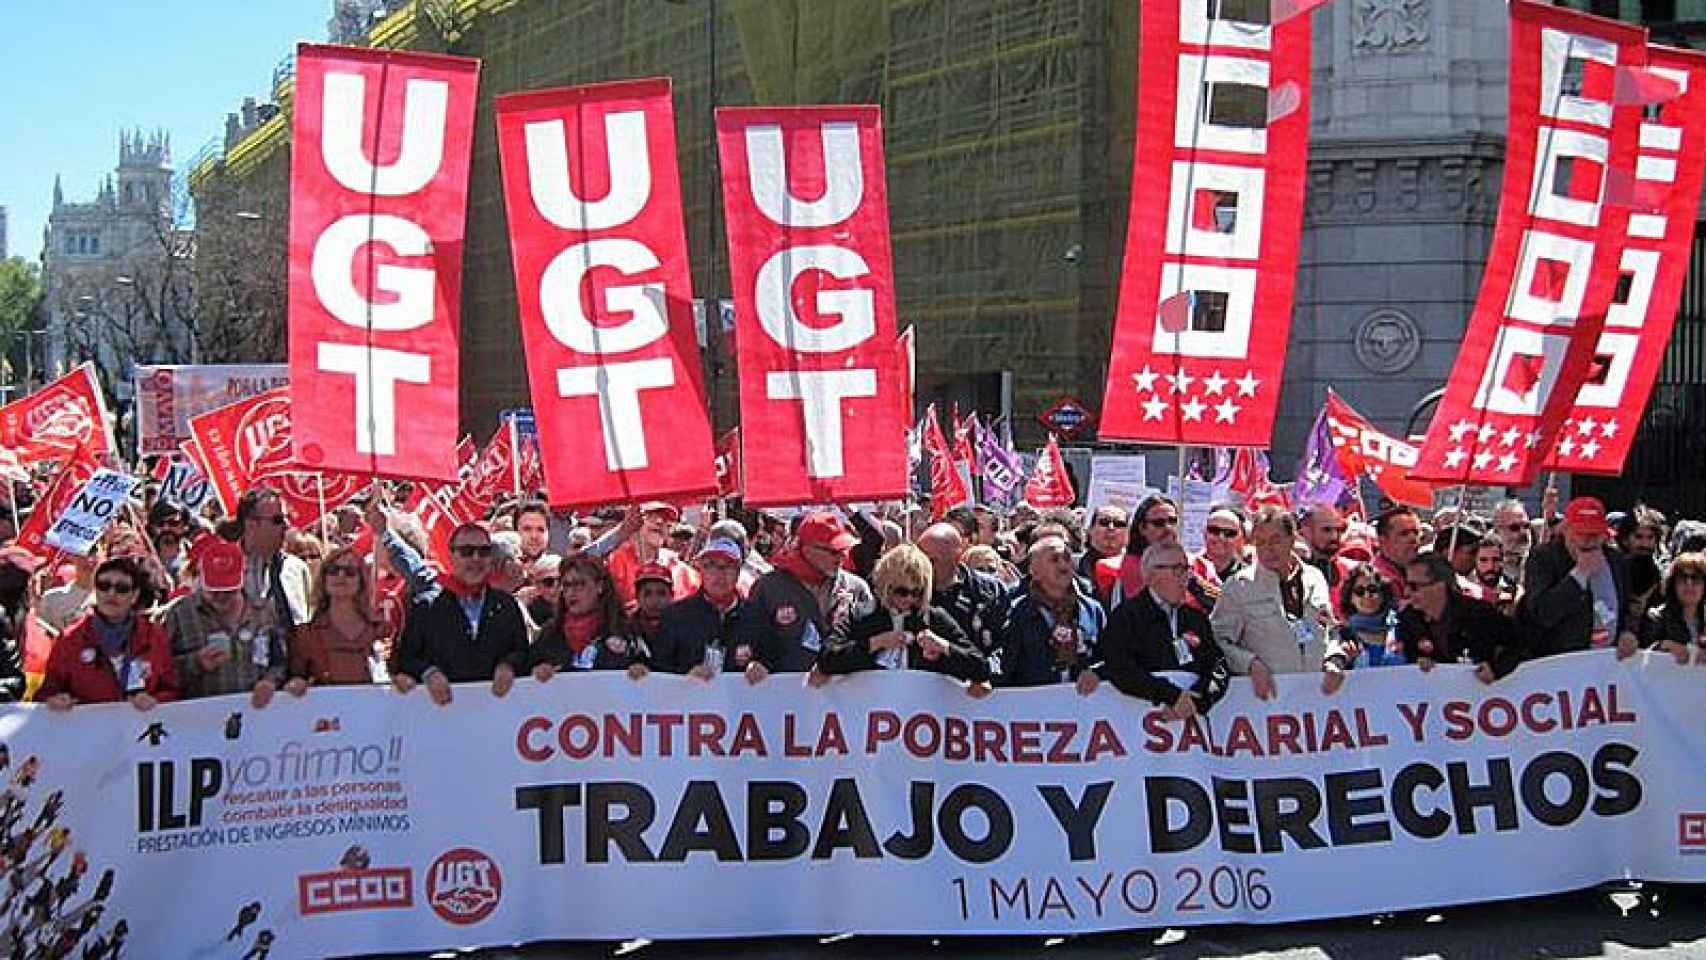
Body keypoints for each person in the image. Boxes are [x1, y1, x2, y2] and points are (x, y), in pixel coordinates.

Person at [1210, 506, 1347, 698]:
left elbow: (1331, 629)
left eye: (1275, 540)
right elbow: (1219, 639)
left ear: (1292, 538)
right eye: (1261, 542)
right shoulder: (1238, 587)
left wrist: (1334, 658)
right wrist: (1250, 664)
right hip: (1268, 699)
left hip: (1318, 695)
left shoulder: (1315, 577)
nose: (1268, 550)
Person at [392, 522, 529, 705]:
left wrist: (508, 665)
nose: (476, 558)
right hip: (442, 715)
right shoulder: (425, 606)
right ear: (451, 556)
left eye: (484, 551)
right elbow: (405, 659)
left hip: (497, 712)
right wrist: (428, 673)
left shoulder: (507, 605)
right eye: (466, 551)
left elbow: (523, 652)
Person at [818, 544, 990, 688]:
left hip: (919, 715)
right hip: (869, 711)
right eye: (902, 591)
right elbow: (827, 659)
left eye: (917, 592)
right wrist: (876, 643)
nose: (909, 599)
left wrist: (944, 647)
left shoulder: (933, 618)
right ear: (886, 586)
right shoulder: (861, 615)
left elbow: (980, 667)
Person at [738, 511, 876, 682]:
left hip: (846, 697)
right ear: (807, 549)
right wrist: (754, 662)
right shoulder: (769, 587)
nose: (841, 557)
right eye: (833, 551)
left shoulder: (856, 588)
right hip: (786, 699)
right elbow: (748, 638)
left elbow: (871, 639)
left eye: (843, 550)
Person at [1096, 543, 1230, 717]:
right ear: (1150, 575)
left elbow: (1217, 665)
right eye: (1177, 570)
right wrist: (1171, 696)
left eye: (1186, 569)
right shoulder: (1127, 616)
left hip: (1194, 723)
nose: (1185, 578)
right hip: (1141, 723)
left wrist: (1199, 698)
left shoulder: (1195, 618)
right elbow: (1121, 668)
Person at [160, 538, 290, 706]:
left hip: (255, 716)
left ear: (242, 578)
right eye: (213, 591)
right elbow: (160, 674)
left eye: (228, 591)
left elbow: (280, 662)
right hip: (202, 718)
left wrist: (270, 682)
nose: (220, 597)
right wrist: (196, 662)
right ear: (200, 578)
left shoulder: (264, 612)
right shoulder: (179, 614)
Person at [37, 558, 178, 710]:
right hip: (91, 729)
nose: (111, 594)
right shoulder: (71, 639)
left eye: (122, 588)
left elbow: (172, 689)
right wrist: (55, 700)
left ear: (135, 595)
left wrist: (155, 700)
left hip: (138, 728)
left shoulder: (154, 636)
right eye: (104, 586)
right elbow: (46, 693)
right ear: (95, 590)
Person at [1520, 496, 1637, 658]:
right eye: (1581, 533)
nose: (1587, 541)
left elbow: (1628, 606)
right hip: (1561, 663)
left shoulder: (1616, 560)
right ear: (1566, 530)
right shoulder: (1543, 558)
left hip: (1607, 662)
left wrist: (1628, 631)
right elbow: (1541, 614)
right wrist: (1579, 576)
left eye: (1594, 534)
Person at [995, 536, 1106, 689]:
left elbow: (1110, 657)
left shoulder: (1092, 610)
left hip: (1085, 705)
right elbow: (1004, 668)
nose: (1063, 565)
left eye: (1067, 558)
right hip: (1036, 707)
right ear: (1035, 571)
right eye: (1054, 560)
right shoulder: (1016, 613)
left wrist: (1096, 672)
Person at [1398, 553, 1525, 681]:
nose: (1406, 592)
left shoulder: (1480, 614)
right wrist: (1417, 663)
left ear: (1440, 585)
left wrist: (1497, 669)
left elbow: (1520, 646)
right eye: (1406, 585)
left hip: (1483, 694)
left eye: (1414, 586)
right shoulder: (1408, 620)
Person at [527, 556, 648, 678]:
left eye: (580, 584)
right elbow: (526, 670)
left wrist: (639, 670)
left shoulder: (624, 630)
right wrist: (537, 671)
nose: (571, 592)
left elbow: (648, 669)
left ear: (599, 586)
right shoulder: (551, 633)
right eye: (567, 585)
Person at [286, 545, 388, 689]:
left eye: (350, 572)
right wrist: (296, 684)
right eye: (333, 571)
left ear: (362, 580)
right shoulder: (306, 634)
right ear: (323, 578)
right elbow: (296, 677)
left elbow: (396, 674)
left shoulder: (380, 630)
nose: (341, 576)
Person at [652, 538, 747, 677]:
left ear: (738, 573)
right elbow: (658, 673)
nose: (719, 574)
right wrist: (685, 677)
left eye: (728, 566)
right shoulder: (675, 617)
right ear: (700, 569)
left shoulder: (755, 617)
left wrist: (760, 667)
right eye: (711, 565)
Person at [915, 523, 1008, 660]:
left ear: (956, 558)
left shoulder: (990, 590)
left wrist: (989, 674)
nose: (924, 567)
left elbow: (1003, 643)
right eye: (920, 560)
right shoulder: (908, 591)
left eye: (932, 560)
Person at [231, 488, 312, 632]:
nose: (286, 525)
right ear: (251, 525)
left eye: (287, 518)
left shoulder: (297, 568)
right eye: (278, 520)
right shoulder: (222, 567)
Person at [605, 502, 699, 605]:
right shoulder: (615, 562)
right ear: (633, 521)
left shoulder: (682, 571)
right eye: (650, 516)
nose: (659, 521)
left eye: (666, 519)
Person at [1330, 563, 1404, 669]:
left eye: (1373, 589)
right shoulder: (1340, 635)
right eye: (1359, 591)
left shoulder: (1401, 628)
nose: (1367, 596)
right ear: (1351, 598)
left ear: (1383, 594)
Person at [1637, 552, 1704, 664]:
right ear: (1673, 584)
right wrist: (1662, 646)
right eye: (1682, 578)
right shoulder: (1656, 618)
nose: (1689, 584)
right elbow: (1641, 658)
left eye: (1696, 578)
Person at [34, 550, 97, 636]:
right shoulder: (51, 598)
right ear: (72, 557)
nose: (90, 559)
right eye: (86, 553)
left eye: (95, 553)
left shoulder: (109, 602)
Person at [1371, 505, 1422, 604]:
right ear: (1382, 541)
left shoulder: (1423, 571)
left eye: (1416, 532)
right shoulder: (1374, 579)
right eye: (1404, 533)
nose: (1413, 538)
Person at [628, 562, 673, 652]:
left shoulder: (683, 626)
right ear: (637, 596)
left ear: (671, 595)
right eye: (647, 594)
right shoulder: (625, 627)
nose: (654, 600)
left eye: (661, 593)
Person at [1077, 506, 1128, 581]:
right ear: (1090, 529)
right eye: (1104, 522)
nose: (1111, 528)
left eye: (1119, 524)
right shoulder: (1071, 566)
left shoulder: (1137, 569)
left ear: (1128, 533)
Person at [1492, 498, 1535, 586]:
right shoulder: (1487, 561)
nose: (1523, 532)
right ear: (1498, 530)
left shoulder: (1538, 560)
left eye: (1526, 526)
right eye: (1515, 527)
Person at [1201, 505, 1249, 583]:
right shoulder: (1188, 572)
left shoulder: (1249, 577)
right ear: (1204, 533)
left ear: (1240, 538)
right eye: (1214, 530)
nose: (1221, 537)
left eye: (1229, 533)